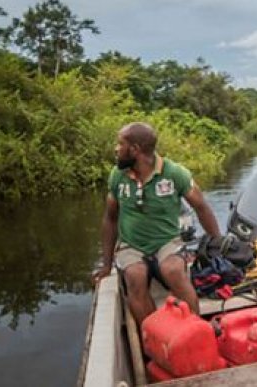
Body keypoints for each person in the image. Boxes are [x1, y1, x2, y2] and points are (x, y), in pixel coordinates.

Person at [91, 122, 224, 328]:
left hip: (167, 242)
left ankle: (196, 329)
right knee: (135, 276)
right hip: (131, 245)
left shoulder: (174, 173)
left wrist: (218, 245)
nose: (116, 149)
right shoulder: (118, 176)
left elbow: (201, 208)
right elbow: (110, 219)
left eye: (120, 144)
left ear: (134, 149)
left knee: (173, 270)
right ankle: (155, 334)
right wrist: (107, 265)